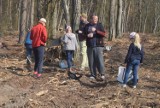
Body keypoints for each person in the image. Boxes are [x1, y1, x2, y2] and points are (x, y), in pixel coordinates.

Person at [84, 15, 106, 80]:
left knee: (99, 60)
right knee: (91, 61)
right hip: (90, 46)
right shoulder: (87, 26)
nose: (96, 20)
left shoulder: (99, 25)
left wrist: (96, 31)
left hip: (98, 46)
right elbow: (84, 33)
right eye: (94, 19)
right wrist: (87, 35)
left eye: (97, 19)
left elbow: (104, 34)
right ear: (91, 19)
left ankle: (102, 74)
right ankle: (93, 74)